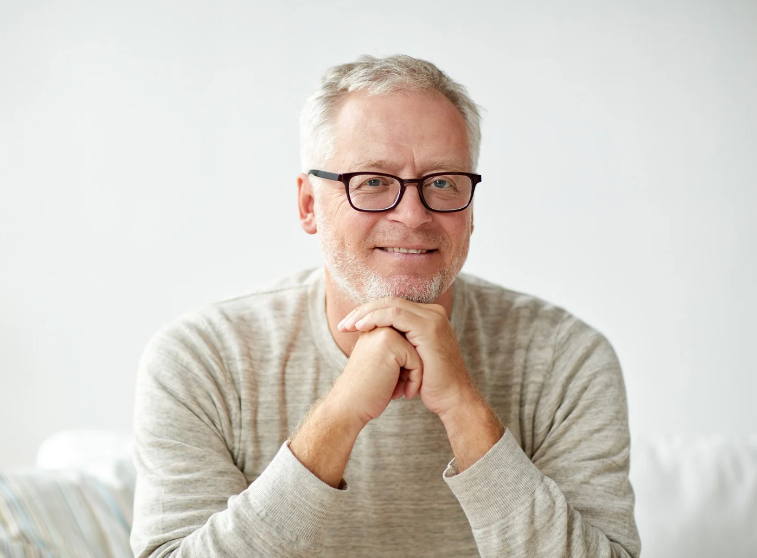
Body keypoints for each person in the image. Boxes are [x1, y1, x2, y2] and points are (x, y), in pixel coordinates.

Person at [130, 54, 641, 558]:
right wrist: (341, 412)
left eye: (442, 182)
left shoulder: (565, 358)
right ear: (309, 205)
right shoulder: (200, 359)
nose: (413, 214)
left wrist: (464, 409)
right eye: (372, 182)